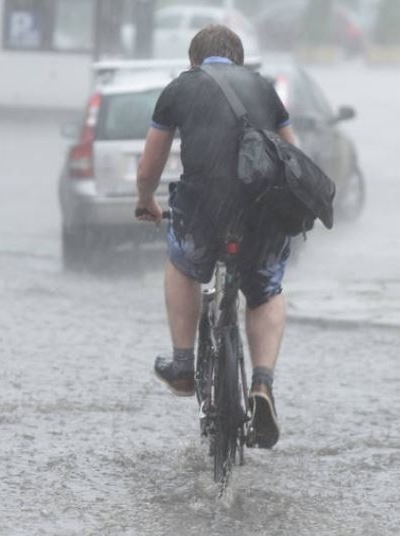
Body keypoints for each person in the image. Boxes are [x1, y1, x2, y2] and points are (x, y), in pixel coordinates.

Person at [134, 25, 296, 449]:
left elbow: (150, 165)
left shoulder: (180, 88)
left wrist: (146, 199)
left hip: (202, 210)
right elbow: (291, 156)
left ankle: (184, 365)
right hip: (259, 212)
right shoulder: (262, 88)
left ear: (194, 61)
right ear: (238, 61)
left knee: (182, 265)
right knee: (265, 290)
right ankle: (261, 384)